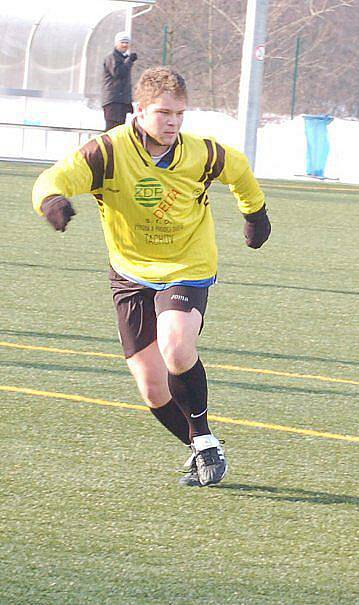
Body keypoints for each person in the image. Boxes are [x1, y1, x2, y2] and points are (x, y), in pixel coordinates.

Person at [32, 67, 272, 486]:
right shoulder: (107, 153)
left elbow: (239, 170)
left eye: (180, 113)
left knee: (177, 346)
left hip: (187, 266)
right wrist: (51, 200)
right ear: (139, 110)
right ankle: (203, 447)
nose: (174, 122)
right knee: (153, 389)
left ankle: (203, 441)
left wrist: (255, 213)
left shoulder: (201, 152)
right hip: (129, 272)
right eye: (164, 113)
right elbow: (52, 178)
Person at [101, 32, 138, 131]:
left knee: (119, 130)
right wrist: (129, 61)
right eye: (122, 42)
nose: (125, 45)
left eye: (127, 42)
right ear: (116, 43)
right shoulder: (112, 57)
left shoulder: (122, 58)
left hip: (120, 101)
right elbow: (118, 73)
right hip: (113, 101)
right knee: (112, 130)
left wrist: (127, 101)